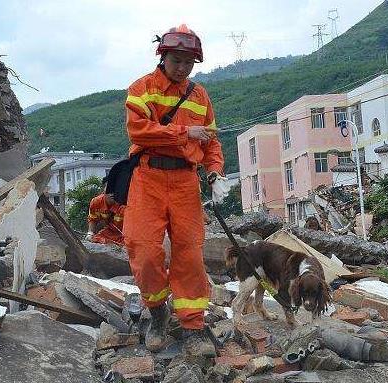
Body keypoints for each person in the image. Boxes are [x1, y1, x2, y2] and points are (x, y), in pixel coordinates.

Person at [123, 24, 230, 357]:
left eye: (189, 62)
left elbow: (211, 140)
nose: (182, 67)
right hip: (147, 177)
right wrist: (185, 134)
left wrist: (214, 172)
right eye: (177, 60)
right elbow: (139, 132)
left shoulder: (200, 96)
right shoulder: (141, 89)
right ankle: (157, 312)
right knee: (142, 249)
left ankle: (193, 326)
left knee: (190, 254)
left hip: (186, 181)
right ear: (163, 56)